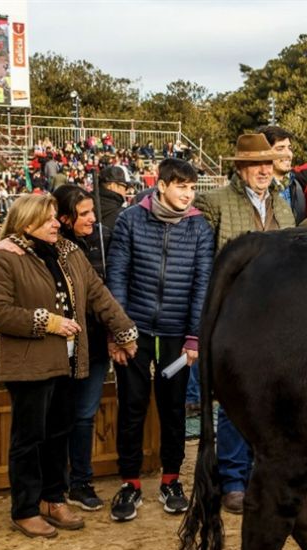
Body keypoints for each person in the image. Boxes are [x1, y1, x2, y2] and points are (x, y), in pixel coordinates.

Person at [0, 194, 137, 538]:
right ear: (26, 222)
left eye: (55, 218)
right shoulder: (4, 256)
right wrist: (46, 322)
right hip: (28, 365)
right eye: (49, 218)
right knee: (30, 438)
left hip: (67, 362)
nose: (56, 223)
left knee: (58, 433)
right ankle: (25, 508)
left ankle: (53, 498)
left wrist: (124, 330)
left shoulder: (68, 252)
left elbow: (98, 294)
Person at [105, 158, 214, 522]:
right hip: (134, 334)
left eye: (192, 187)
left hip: (176, 336)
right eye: (181, 186)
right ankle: (130, 483)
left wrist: (194, 337)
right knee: (132, 407)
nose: (187, 194)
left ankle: (171, 480)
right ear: (162, 185)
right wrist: (120, 333)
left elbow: (202, 283)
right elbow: (117, 277)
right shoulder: (130, 219)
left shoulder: (199, 227)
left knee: (173, 408)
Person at [194, 134, 296, 514]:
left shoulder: (283, 206)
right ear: (240, 168)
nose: (264, 171)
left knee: (273, 401)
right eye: (257, 165)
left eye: (268, 164)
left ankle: (259, 474)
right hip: (235, 315)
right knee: (236, 401)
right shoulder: (214, 202)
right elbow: (205, 263)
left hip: (277, 316)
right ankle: (233, 480)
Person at [52, 185, 111, 511]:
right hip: (59, 346)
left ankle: (81, 482)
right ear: (64, 218)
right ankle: (55, 485)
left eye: (92, 211)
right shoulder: (51, 248)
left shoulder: (101, 241)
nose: (92, 219)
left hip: (96, 346)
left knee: (85, 416)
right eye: (84, 214)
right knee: (59, 416)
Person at [256, 124, 307, 223]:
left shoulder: (297, 187)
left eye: (289, 148)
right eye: (280, 149)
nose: (288, 154)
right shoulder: (255, 190)